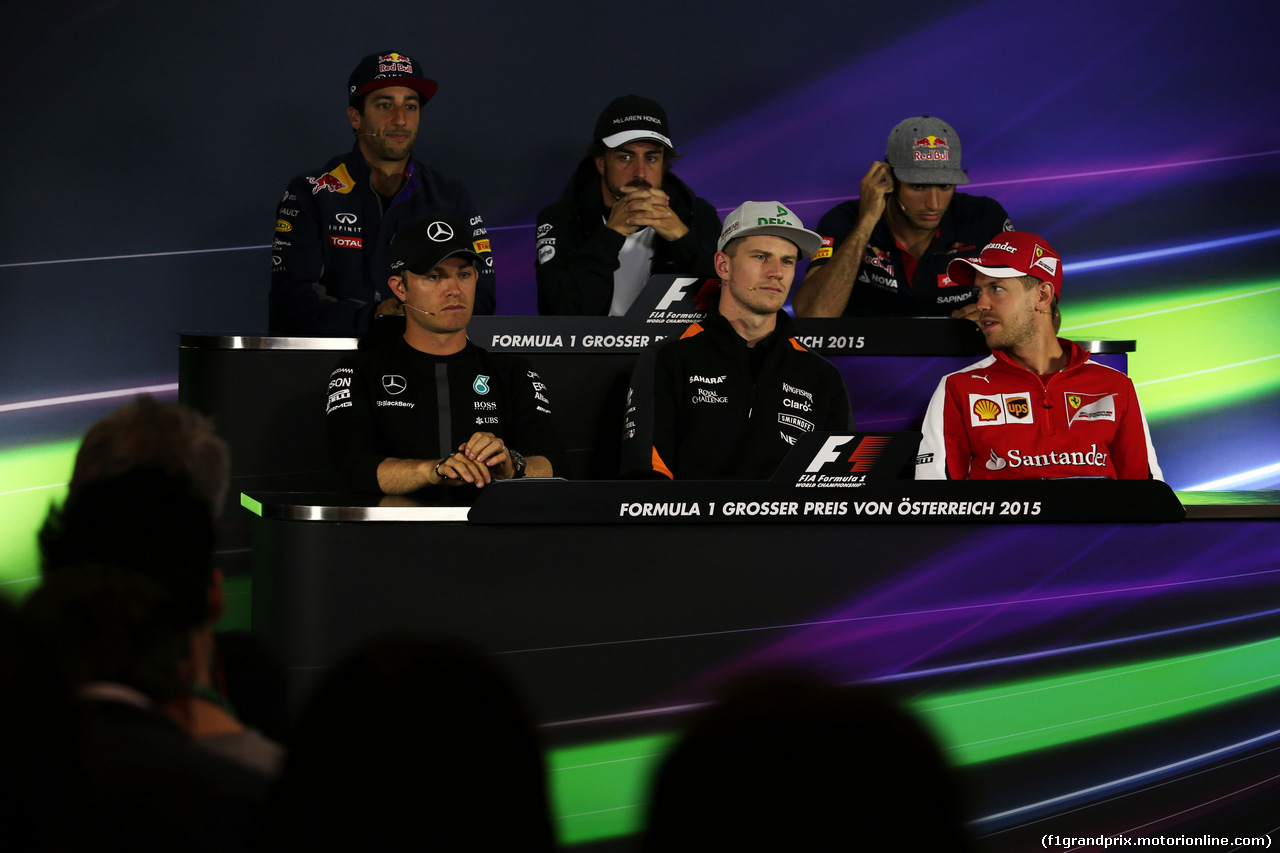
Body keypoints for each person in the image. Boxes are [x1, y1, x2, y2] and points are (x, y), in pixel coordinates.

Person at [326, 213, 563, 495]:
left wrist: (512, 466)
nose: (454, 290)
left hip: (491, 537)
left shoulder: (513, 373)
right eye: (434, 276)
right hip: (392, 537)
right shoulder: (360, 371)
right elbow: (349, 470)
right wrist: (434, 470)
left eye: (463, 274)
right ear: (400, 288)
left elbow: (556, 467)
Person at [621, 201, 852, 479]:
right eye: (761, 257)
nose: (776, 272)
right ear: (723, 265)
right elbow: (646, 478)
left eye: (787, 261)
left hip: (787, 523)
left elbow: (839, 487)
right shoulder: (670, 357)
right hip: (694, 521)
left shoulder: (822, 376)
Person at [270, 51, 495, 336]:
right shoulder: (311, 193)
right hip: (332, 367)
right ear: (356, 117)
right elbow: (290, 303)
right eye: (385, 105)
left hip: (425, 368)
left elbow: (482, 298)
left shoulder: (450, 196)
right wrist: (373, 317)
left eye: (410, 106)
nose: (400, 120)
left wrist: (420, 324)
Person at [915, 232, 1162, 480]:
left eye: (997, 288)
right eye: (979, 291)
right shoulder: (958, 387)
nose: (981, 304)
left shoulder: (1116, 386)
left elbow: (1147, 498)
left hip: (1093, 520)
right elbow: (934, 503)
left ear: (1042, 296)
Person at [793, 115, 1012, 319]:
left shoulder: (984, 217)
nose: (934, 203)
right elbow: (815, 314)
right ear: (888, 177)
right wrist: (866, 222)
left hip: (963, 358)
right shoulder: (844, 220)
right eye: (918, 186)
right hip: (861, 358)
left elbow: (1033, 303)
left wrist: (995, 316)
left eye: (945, 186)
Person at [536, 95, 720, 316]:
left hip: (672, 350)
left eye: (651, 158)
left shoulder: (695, 215)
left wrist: (682, 238)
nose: (640, 172)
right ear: (601, 163)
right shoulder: (562, 219)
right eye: (625, 157)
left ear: (664, 163)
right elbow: (559, 315)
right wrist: (610, 235)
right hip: (592, 349)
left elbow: (723, 309)